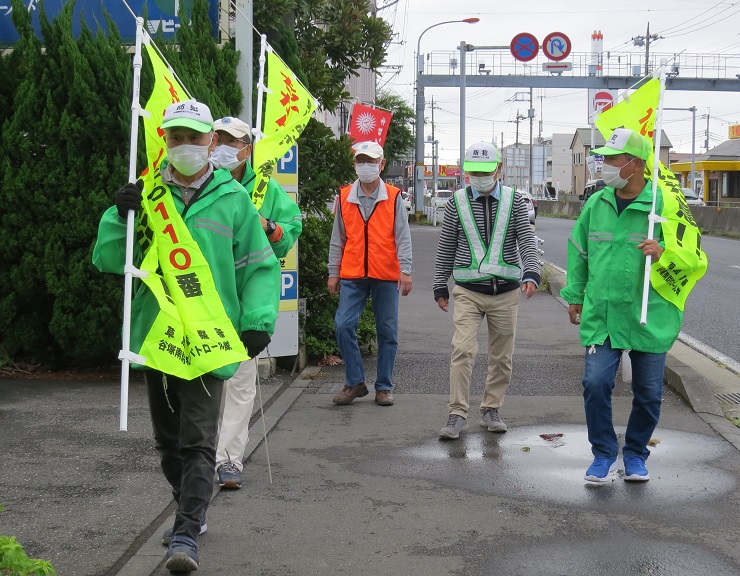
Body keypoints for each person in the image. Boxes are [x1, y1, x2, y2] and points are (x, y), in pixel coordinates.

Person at [92, 100, 279, 572]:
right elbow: (110, 261)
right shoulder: (147, 194)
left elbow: (258, 264)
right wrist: (118, 215)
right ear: (165, 141)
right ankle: (188, 507)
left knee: (199, 441)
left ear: (211, 142)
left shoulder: (235, 199)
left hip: (211, 336)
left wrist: (258, 320)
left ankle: (185, 534)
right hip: (159, 335)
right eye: (175, 137)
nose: (185, 146)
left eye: (194, 138)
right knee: (167, 440)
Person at [560, 128, 696, 483]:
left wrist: (664, 252)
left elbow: (693, 257)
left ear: (635, 164)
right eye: (603, 158)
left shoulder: (662, 205)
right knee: (595, 383)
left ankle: (635, 453)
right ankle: (604, 452)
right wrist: (574, 295)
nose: (604, 164)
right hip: (602, 315)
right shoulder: (596, 202)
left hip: (648, 316)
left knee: (649, 394)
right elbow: (579, 253)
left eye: (612, 158)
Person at [209, 116, 302, 489]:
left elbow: (286, 235)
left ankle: (228, 460)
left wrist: (266, 226)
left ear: (248, 147)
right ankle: (202, 453)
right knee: (203, 384)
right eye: (218, 140)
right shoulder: (197, 183)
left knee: (241, 382)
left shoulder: (266, 189)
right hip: (202, 297)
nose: (224, 148)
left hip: (247, 298)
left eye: (233, 141)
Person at [434, 141, 540, 440]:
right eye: (473, 172)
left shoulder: (515, 201)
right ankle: (456, 413)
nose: (479, 176)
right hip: (467, 291)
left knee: (502, 356)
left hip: (506, 293)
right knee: (462, 349)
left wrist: (531, 271)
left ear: (499, 169)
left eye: (485, 171)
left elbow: (527, 240)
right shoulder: (456, 202)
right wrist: (439, 283)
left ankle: (491, 408)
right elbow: (446, 246)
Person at [328, 141, 413, 407]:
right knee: (343, 324)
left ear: (382, 164)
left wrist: (405, 269)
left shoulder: (393, 196)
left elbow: (403, 236)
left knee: (387, 331)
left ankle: (384, 386)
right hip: (352, 274)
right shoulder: (343, 196)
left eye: (371, 161)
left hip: (385, 273)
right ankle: (355, 382)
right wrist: (334, 272)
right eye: (361, 160)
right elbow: (337, 239)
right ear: (354, 164)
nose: (366, 166)